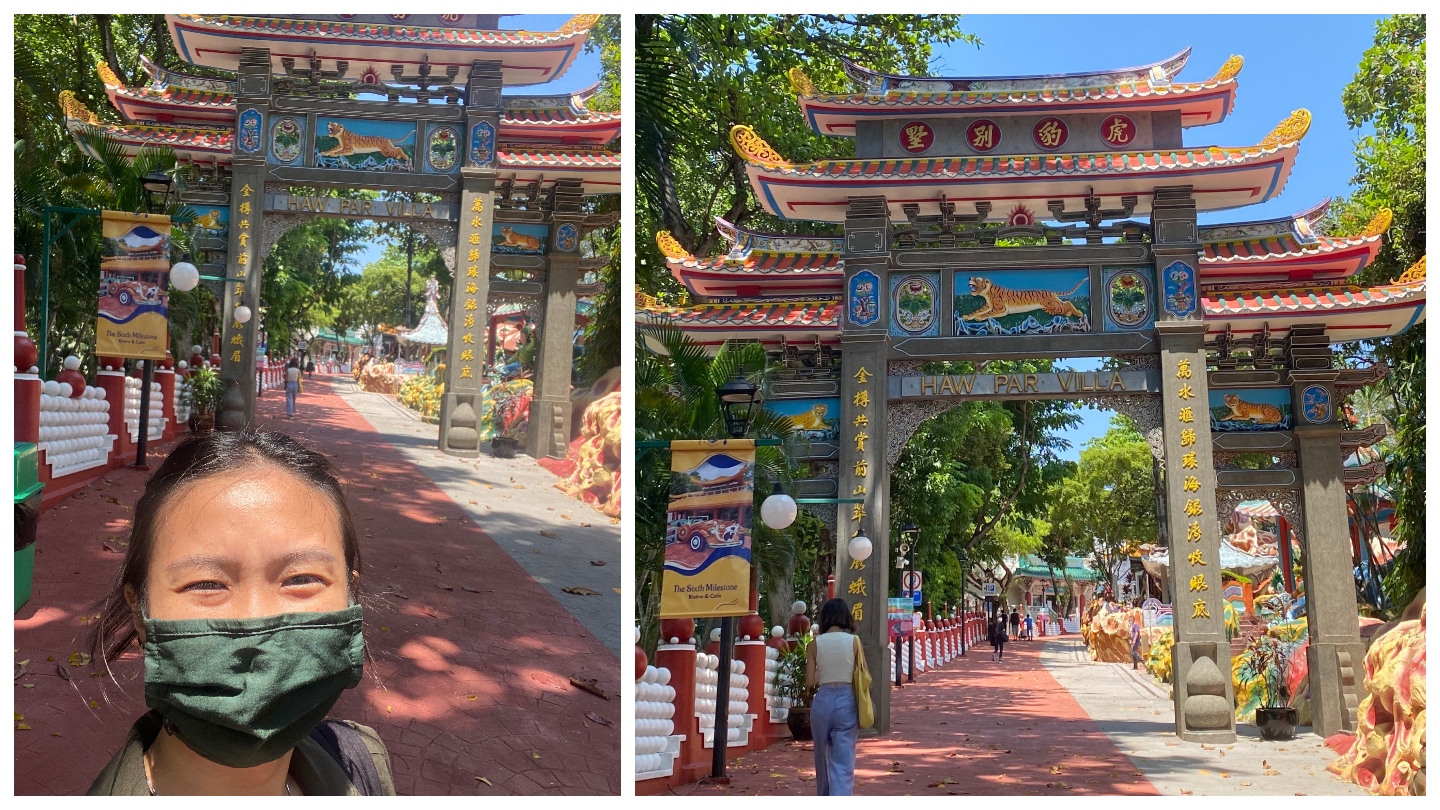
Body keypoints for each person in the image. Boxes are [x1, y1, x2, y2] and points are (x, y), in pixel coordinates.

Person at [86, 431, 394, 795]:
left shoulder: (363, 762)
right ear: (140, 611)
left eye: (301, 578)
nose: (255, 620)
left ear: (350, 596)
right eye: (206, 584)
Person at [806, 598, 868, 796]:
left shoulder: (814, 643)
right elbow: (863, 674)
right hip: (846, 701)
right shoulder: (854, 642)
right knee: (843, 760)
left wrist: (824, 672)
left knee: (821, 758)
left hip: (822, 701)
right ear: (845, 616)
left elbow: (809, 681)